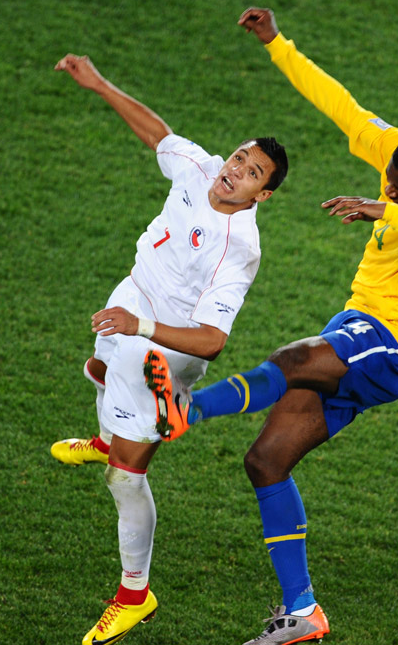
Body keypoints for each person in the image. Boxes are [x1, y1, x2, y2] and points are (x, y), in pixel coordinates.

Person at [142, 7, 398, 645]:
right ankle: (303, 613)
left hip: (392, 347)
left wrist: (388, 211)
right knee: (266, 460)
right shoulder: (397, 157)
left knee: (294, 358)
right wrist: (277, 43)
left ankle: (185, 411)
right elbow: (342, 106)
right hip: (356, 328)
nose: (391, 189)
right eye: (389, 181)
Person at [50, 52, 288, 645]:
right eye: (239, 158)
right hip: (134, 297)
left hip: (167, 343)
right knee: (99, 367)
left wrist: (142, 327)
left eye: (252, 173)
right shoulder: (199, 167)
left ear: (262, 195)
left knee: (126, 476)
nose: (236, 171)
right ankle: (112, 433)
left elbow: (213, 339)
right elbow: (158, 134)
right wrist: (98, 83)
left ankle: (135, 594)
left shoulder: (238, 247)